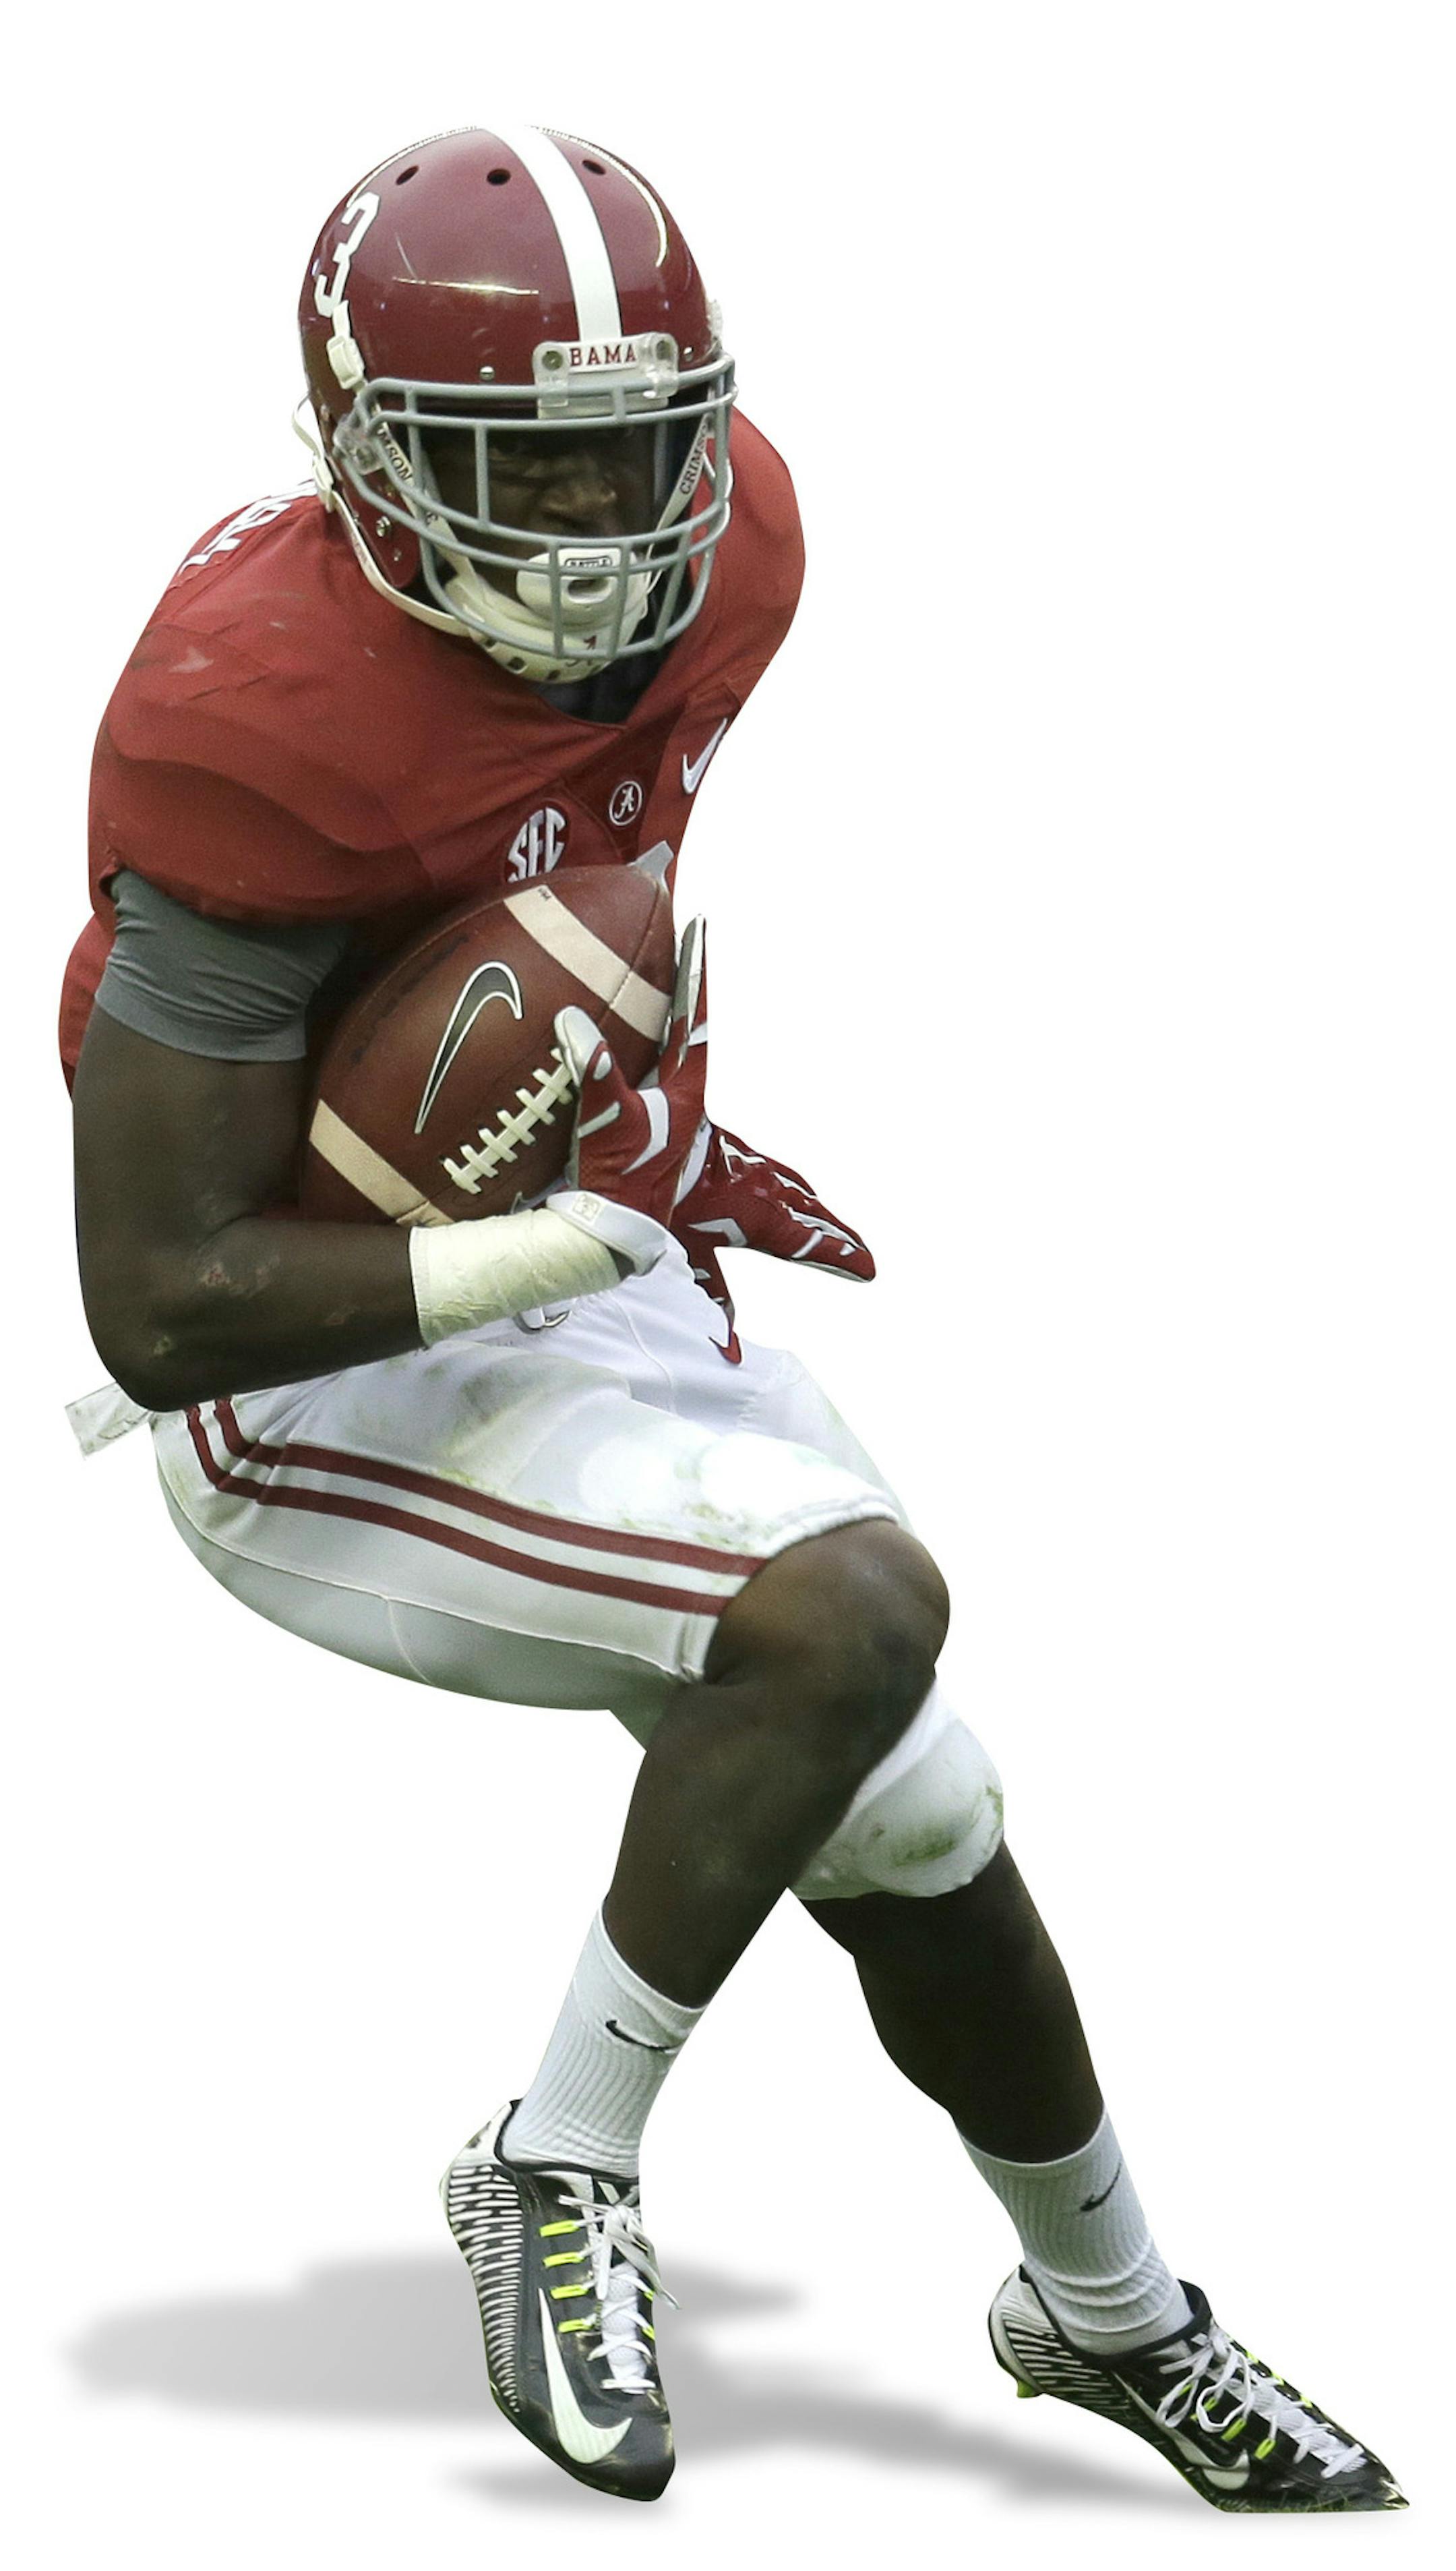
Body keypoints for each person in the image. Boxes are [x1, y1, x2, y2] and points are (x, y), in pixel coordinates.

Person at [64, 124, 1401, 2513]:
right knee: (849, 1615)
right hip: (308, 1372)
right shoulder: (248, 709)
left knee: (923, 1807)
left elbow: (552, 924)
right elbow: (163, 1303)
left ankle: (1111, 2317)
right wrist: (547, 1233)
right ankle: (555, 2162)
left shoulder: (742, 551)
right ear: (359, 450)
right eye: (523, 464)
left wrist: (654, 1143)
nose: (598, 529)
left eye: (634, 450)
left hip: (577, 1266)